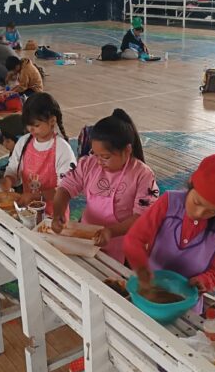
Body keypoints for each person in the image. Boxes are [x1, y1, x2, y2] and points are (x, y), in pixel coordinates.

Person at [123, 153, 215, 312]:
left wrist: (204, 281)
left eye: (211, 211)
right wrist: (142, 270)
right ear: (191, 183)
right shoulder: (168, 203)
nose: (199, 213)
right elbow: (134, 239)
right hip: (149, 289)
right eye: (196, 202)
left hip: (185, 304)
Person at [51, 109, 158, 263]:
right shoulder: (89, 164)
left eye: (106, 157)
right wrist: (58, 212)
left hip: (122, 243)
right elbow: (65, 188)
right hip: (87, 236)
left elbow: (142, 217)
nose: (99, 162)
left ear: (127, 150)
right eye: (96, 154)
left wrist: (111, 232)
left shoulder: (142, 175)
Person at [0, 93, 76, 215]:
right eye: (28, 125)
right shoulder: (23, 142)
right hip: (29, 212)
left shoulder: (62, 149)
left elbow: (66, 189)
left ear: (52, 121)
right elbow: (13, 169)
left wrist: (38, 196)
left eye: (36, 125)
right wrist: (8, 180)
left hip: (55, 216)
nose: (31, 129)